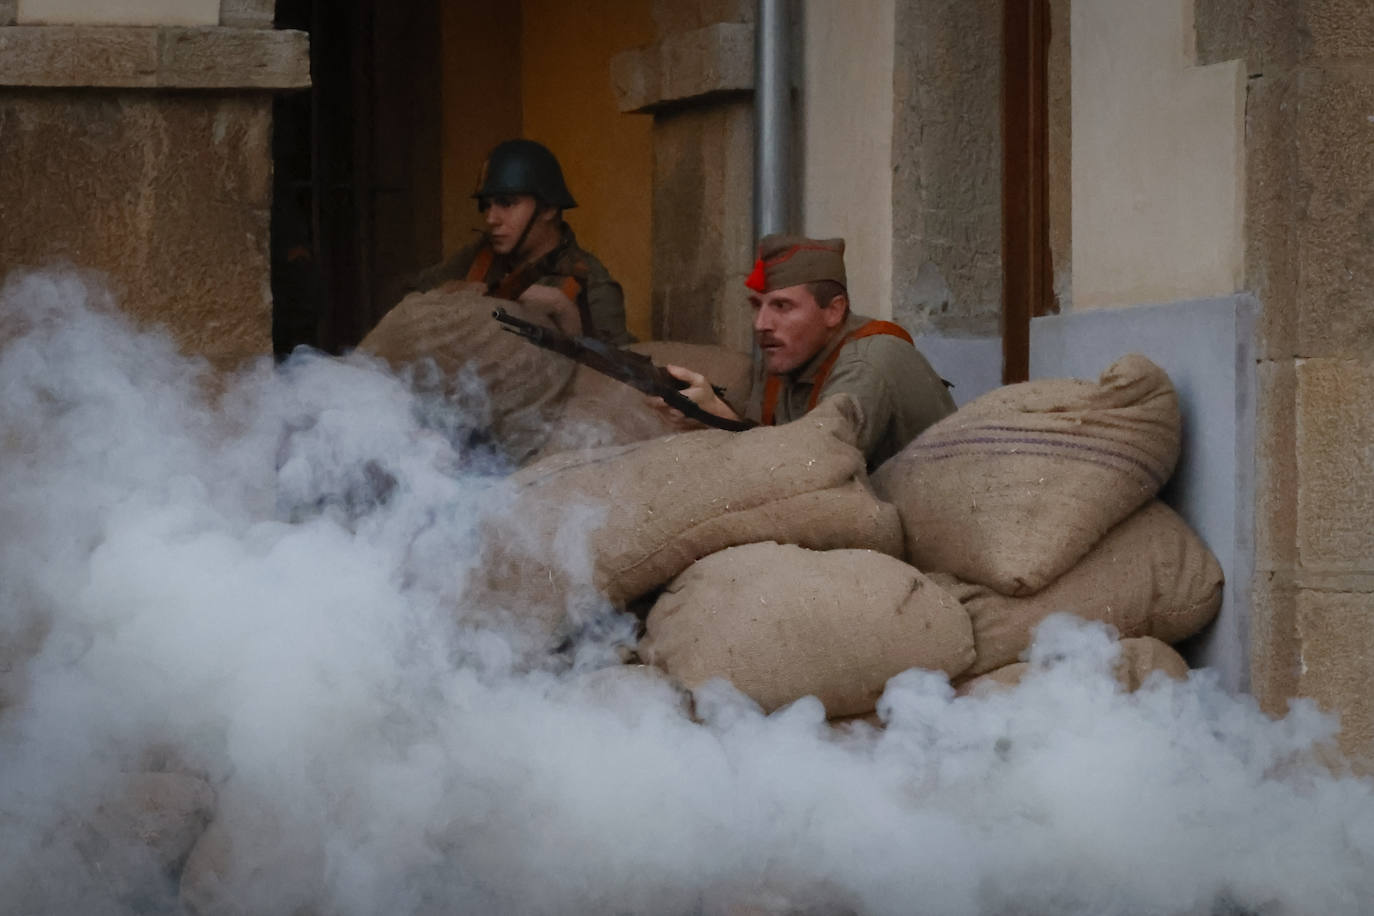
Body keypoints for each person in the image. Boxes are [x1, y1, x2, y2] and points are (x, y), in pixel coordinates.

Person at [657, 233, 956, 469]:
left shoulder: (868, 363)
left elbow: (815, 466)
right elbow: (755, 436)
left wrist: (723, 419)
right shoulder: (785, 355)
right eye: (756, 306)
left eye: (782, 306)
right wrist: (698, 411)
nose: (761, 324)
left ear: (834, 311)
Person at [410, 138, 634, 345]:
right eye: (487, 205)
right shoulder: (480, 256)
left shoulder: (592, 283)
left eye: (506, 203)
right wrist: (445, 292)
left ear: (547, 208)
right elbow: (406, 302)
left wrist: (565, 313)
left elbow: (619, 375)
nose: (490, 219)